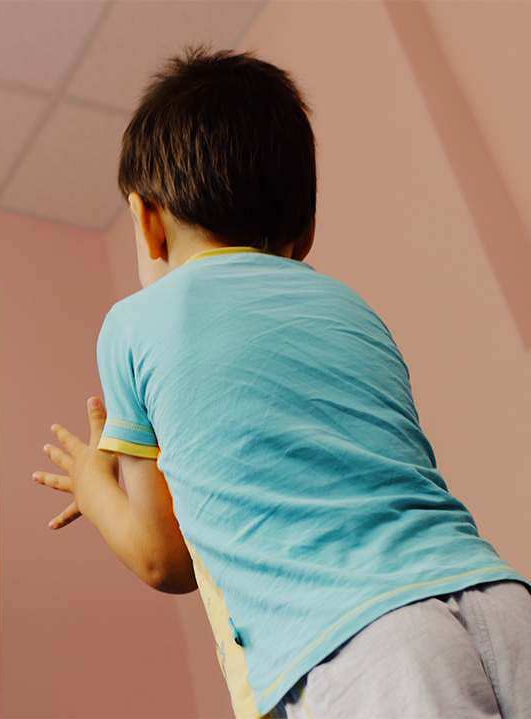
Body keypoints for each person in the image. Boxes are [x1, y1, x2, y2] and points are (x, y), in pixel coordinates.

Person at [33, 48, 531, 719]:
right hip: (501, 602)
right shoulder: (353, 309)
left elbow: (163, 559)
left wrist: (95, 486)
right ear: (305, 231)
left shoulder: (133, 324)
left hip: (357, 642)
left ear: (146, 219)